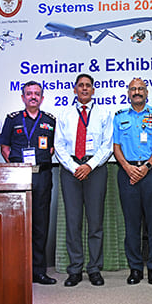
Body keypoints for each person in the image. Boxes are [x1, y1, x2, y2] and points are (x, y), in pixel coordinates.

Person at [55, 74, 113, 287]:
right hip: (70, 170)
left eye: (88, 85)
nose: (85, 89)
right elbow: (59, 146)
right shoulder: (64, 114)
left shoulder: (104, 113)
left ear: (93, 90)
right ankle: (75, 269)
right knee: (73, 222)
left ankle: (95, 268)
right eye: (81, 85)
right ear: (75, 89)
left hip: (95, 169)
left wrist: (89, 165)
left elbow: (107, 145)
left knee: (95, 222)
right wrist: (74, 167)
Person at [0, 81, 57, 285]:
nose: (33, 97)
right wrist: (15, 168)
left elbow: (52, 149)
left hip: (42, 175)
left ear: (42, 98)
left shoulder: (50, 120)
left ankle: (39, 271)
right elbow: (4, 147)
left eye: (37, 94)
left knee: (40, 224)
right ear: (23, 97)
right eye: (29, 93)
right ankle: (17, 270)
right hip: (19, 176)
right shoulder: (12, 119)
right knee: (17, 224)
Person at [113, 78, 152, 285]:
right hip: (127, 172)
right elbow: (116, 146)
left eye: (140, 89)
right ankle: (135, 268)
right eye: (133, 89)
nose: (137, 92)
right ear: (128, 93)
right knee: (131, 223)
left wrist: (147, 167)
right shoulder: (119, 117)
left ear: (147, 92)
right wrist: (128, 167)